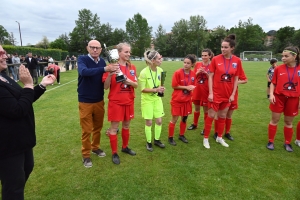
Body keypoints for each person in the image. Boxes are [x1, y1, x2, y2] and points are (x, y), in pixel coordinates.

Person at [0, 45, 56, 200]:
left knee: (26, 170)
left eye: (4, 52)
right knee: (14, 186)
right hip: (7, 146)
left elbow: (23, 98)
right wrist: (29, 85)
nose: (5, 56)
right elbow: (17, 109)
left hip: (22, 141)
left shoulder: (3, 76)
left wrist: (41, 85)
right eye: (1, 53)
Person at [77, 40, 119, 168]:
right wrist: (105, 69)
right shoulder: (82, 59)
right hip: (85, 101)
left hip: (99, 100)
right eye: (92, 47)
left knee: (97, 127)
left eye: (97, 48)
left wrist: (110, 74)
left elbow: (103, 81)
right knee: (86, 130)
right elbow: (84, 72)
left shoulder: (101, 61)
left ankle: (95, 147)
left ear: (101, 50)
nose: (95, 50)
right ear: (87, 48)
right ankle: (86, 155)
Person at [203, 34, 241, 149]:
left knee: (223, 116)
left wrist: (233, 94)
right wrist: (210, 93)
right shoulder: (215, 59)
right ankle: (205, 139)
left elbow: (236, 78)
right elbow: (210, 76)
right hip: (216, 93)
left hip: (228, 95)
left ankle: (219, 137)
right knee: (211, 115)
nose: (223, 49)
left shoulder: (237, 61)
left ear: (232, 48)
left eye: (226, 47)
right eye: (222, 47)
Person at [103, 43, 137, 165]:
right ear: (119, 53)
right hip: (116, 102)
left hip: (129, 101)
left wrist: (129, 81)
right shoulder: (111, 66)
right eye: (126, 52)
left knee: (127, 126)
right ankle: (114, 153)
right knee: (114, 128)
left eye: (129, 52)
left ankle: (125, 147)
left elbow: (136, 85)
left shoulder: (132, 67)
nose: (128, 54)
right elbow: (106, 87)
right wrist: (110, 75)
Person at [267, 46, 300, 152]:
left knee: (288, 122)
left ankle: (287, 143)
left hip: (293, 99)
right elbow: (273, 83)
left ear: (294, 56)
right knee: (274, 120)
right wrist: (271, 94)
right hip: (279, 98)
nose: (283, 58)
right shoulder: (278, 68)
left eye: (286, 56)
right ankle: (271, 141)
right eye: (282, 56)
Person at [138, 49, 166, 152]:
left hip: (157, 99)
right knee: (149, 122)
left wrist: (161, 89)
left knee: (159, 120)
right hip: (147, 100)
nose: (161, 59)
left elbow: (161, 84)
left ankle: (157, 140)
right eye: (159, 58)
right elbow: (142, 89)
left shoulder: (161, 70)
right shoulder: (143, 73)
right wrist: (155, 89)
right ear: (153, 60)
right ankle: (149, 142)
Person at [168, 54, 197, 145]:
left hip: (187, 100)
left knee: (184, 118)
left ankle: (181, 135)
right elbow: (174, 86)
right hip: (177, 100)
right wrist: (186, 87)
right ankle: (170, 137)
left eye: (188, 63)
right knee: (174, 119)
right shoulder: (177, 73)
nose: (185, 64)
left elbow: (194, 84)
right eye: (184, 62)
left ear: (192, 64)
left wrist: (192, 87)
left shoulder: (193, 74)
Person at [213, 66, 247, 140]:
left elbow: (245, 80)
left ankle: (227, 132)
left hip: (233, 95)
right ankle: (216, 132)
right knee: (219, 114)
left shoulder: (237, 68)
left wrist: (235, 82)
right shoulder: (220, 68)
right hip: (221, 94)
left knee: (229, 115)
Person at [188, 49, 214, 132]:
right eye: (202, 55)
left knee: (206, 110)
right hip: (197, 89)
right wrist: (198, 72)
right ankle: (194, 124)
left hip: (206, 90)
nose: (203, 57)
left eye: (205, 55)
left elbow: (213, 78)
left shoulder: (212, 65)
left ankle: (205, 128)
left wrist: (206, 73)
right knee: (196, 108)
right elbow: (193, 77)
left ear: (210, 56)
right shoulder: (198, 64)